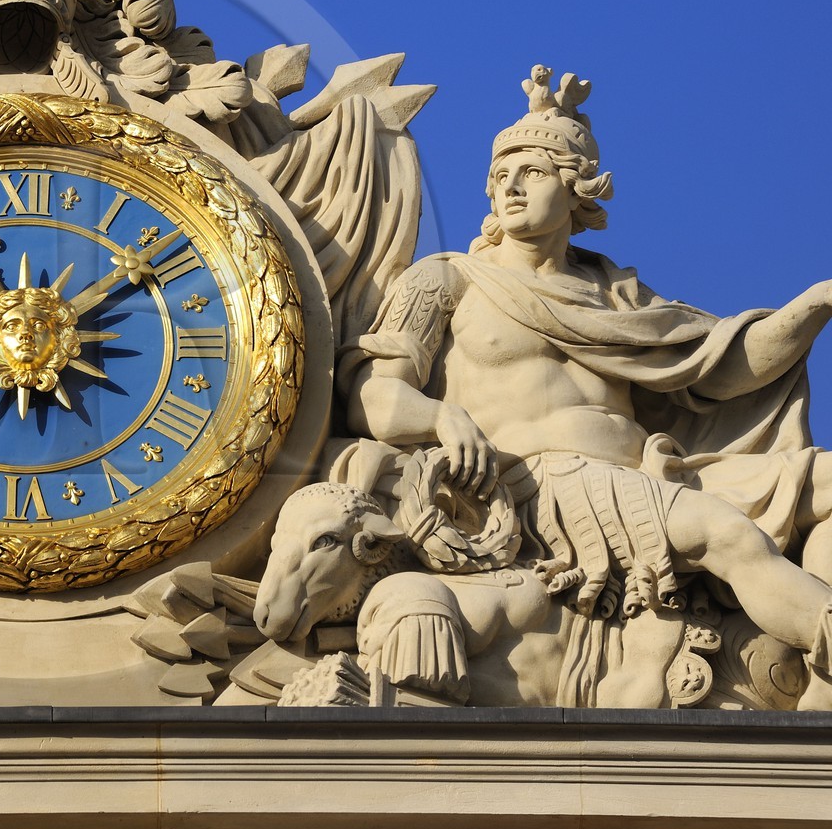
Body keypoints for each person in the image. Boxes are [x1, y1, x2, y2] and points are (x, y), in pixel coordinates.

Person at [340, 68, 832, 704]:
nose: (509, 188)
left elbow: (725, 365)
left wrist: (816, 304)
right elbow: (376, 397)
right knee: (730, 536)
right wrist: (440, 418)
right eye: (499, 177)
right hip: (538, 484)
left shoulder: (615, 293)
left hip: (652, 476)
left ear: (577, 191)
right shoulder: (445, 280)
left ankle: (820, 686)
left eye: (533, 173)